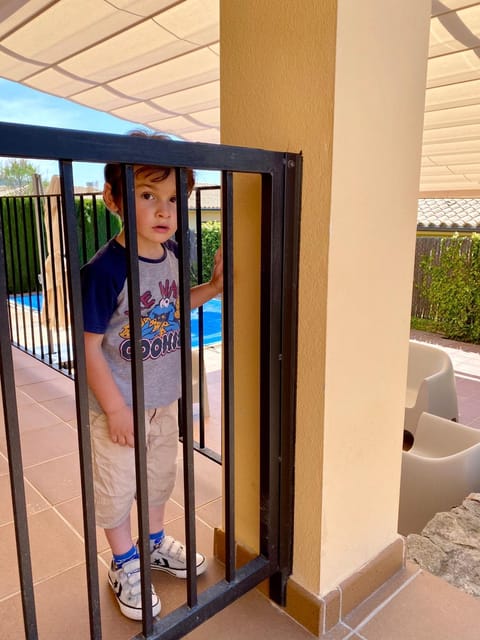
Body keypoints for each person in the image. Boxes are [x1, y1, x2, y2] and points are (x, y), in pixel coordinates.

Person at [80, 131, 223, 620]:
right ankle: (124, 563)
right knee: (118, 485)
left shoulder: (173, 253)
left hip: (164, 401)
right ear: (114, 200)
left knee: (159, 477)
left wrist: (213, 287)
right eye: (147, 196)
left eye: (171, 199)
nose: (164, 211)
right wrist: (117, 410)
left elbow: (174, 307)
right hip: (119, 410)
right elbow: (88, 348)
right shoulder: (104, 270)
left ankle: (155, 542)